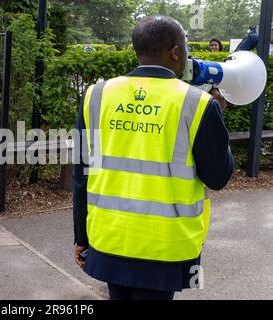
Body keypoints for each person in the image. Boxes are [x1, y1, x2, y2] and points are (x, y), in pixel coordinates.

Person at [73, 16, 234, 300]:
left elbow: (81, 173)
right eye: (185, 48)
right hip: (165, 245)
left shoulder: (96, 95)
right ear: (175, 52)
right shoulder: (198, 103)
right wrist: (219, 117)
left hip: (109, 237)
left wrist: (81, 236)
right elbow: (218, 177)